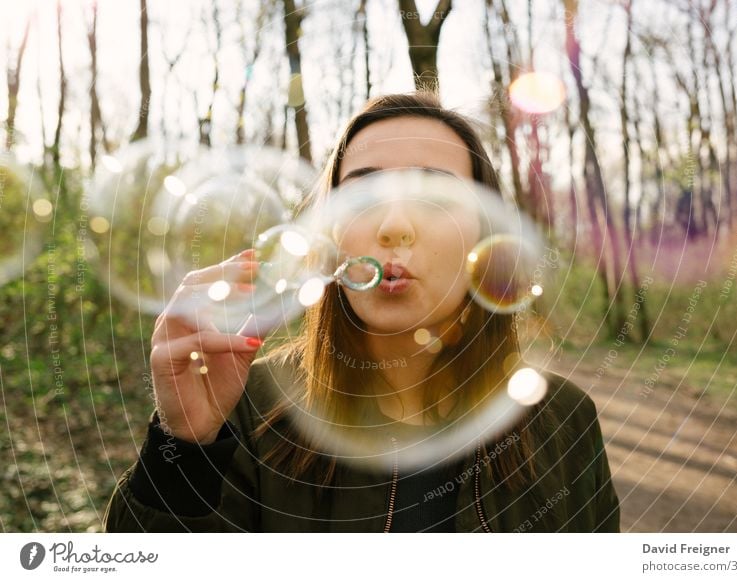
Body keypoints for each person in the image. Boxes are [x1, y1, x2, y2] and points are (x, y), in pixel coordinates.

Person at [103, 92, 620, 533]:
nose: (394, 224)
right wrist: (184, 446)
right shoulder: (243, 409)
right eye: (362, 193)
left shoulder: (565, 421)